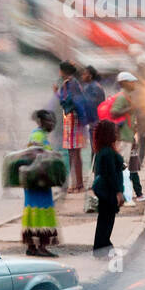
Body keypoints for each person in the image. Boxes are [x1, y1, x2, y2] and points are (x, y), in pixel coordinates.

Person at [22, 110, 60, 256]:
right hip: (38, 181)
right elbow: (38, 156)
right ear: (41, 122)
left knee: (33, 213)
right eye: (50, 121)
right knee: (41, 213)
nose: (52, 124)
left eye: (53, 121)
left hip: (36, 182)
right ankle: (41, 247)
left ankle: (32, 247)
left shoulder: (39, 134)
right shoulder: (38, 136)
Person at [108, 72, 145, 202]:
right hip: (123, 138)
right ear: (124, 82)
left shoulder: (127, 96)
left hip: (128, 137)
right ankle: (119, 195)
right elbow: (114, 112)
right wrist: (130, 109)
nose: (133, 84)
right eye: (131, 82)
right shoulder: (122, 97)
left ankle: (125, 194)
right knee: (121, 168)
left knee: (127, 167)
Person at [91, 118, 126, 254]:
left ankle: (102, 247)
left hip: (104, 191)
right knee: (107, 221)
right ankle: (102, 248)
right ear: (108, 134)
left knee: (104, 220)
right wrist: (118, 193)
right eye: (114, 132)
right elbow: (110, 174)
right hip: (108, 191)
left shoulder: (103, 151)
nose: (117, 134)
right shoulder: (107, 153)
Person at [55, 62, 86, 194]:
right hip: (74, 119)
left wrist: (57, 93)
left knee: (74, 153)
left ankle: (77, 185)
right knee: (73, 153)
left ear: (63, 71)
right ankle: (76, 184)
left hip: (72, 118)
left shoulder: (69, 83)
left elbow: (66, 101)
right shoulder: (74, 83)